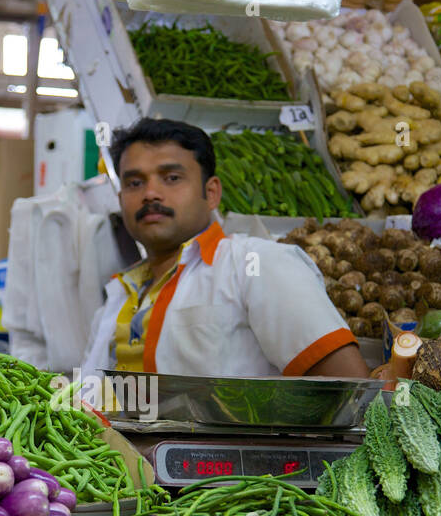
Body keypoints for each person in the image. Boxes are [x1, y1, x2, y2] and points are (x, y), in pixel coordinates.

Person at [79, 118, 369, 384]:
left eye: (172, 178)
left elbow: (349, 390)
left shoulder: (257, 266)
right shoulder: (117, 297)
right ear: (120, 199)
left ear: (212, 193)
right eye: (135, 183)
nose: (150, 193)